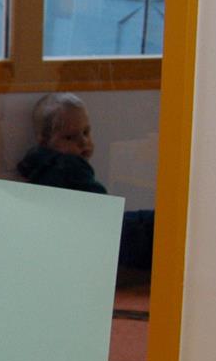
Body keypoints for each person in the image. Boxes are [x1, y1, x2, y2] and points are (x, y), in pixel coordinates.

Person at [18, 92, 153, 271]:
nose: (83, 142)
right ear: (44, 141)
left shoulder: (37, 165)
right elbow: (102, 210)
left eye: (86, 132)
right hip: (95, 239)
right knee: (152, 227)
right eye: (70, 137)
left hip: (76, 237)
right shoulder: (68, 165)